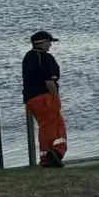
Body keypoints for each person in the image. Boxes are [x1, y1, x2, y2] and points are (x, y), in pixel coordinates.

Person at [22, 31, 68, 168]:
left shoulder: (28, 57)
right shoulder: (46, 58)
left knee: (45, 127)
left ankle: (45, 158)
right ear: (42, 43)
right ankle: (55, 152)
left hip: (30, 100)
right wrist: (56, 98)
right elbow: (49, 81)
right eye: (49, 42)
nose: (50, 45)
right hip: (45, 98)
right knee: (57, 127)